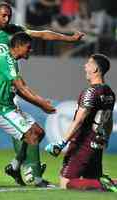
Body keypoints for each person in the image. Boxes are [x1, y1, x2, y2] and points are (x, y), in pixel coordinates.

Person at [0, 1, 84, 187]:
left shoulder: (14, 30)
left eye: (9, 16)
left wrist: (68, 39)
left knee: (28, 131)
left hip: (6, 87)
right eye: (3, 15)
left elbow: (42, 34)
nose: (7, 19)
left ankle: (22, 167)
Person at [0, 32, 56, 187]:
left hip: (10, 107)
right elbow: (21, 86)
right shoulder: (6, 60)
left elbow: (20, 89)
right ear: (18, 46)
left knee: (39, 132)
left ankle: (15, 166)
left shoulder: (13, 61)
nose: (30, 50)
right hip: (1, 109)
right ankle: (38, 180)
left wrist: (40, 102)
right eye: (28, 47)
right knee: (31, 137)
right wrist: (41, 104)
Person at [45, 54, 117, 192]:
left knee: (66, 183)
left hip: (82, 144)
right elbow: (109, 121)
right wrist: (106, 138)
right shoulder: (109, 92)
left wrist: (61, 142)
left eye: (88, 63)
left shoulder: (90, 92)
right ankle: (102, 183)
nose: (85, 66)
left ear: (95, 69)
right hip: (96, 143)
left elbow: (79, 120)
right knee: (90, 182)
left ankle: (105, 183)